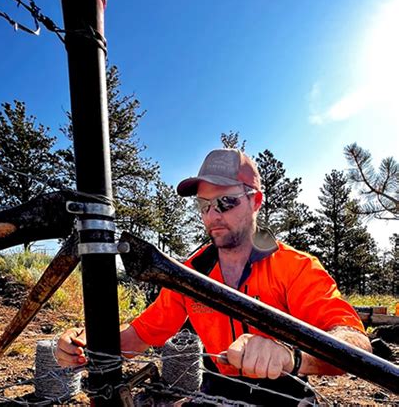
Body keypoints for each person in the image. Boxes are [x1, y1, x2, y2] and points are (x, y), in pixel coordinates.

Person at [56, 148, 371, 405]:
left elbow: (355, 344)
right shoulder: (188, 275)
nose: (212, 215)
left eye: (225, 202)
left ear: (255, 201)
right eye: (204, 205)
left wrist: (289, 355)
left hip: (284, 393)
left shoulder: (294, 267)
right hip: (216, 391)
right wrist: (86, 344)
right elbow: (140, 336)